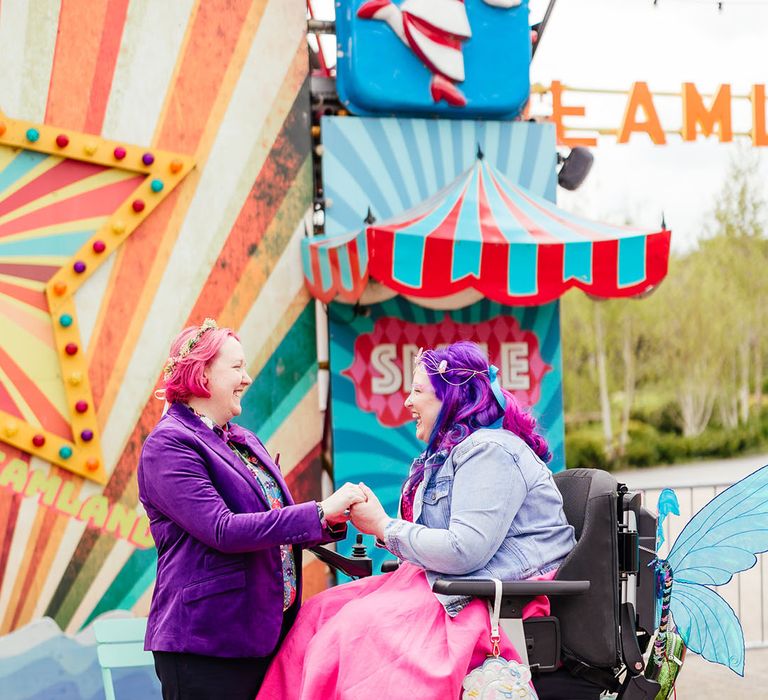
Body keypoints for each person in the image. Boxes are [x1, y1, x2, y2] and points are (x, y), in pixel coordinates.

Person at [257, 340, 576, 699]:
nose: (407, 401)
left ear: (451, 397)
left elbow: (463, 551)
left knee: (352, 629)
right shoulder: (452, 454)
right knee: (319, 612)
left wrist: (383, 526)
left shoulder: (490, 451)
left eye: (418, 391)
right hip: (453, 584)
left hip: (490, 596)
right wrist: (377, 524)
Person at [137, 319, 366, 700]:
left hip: (263, 636)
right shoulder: (169, 444)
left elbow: (272, 521)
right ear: (202, 374)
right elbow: (224, 530)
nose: (247, 378)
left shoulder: (241, 438)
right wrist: (319, 510)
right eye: (236, 367)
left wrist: (330, 519)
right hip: (208, 644)